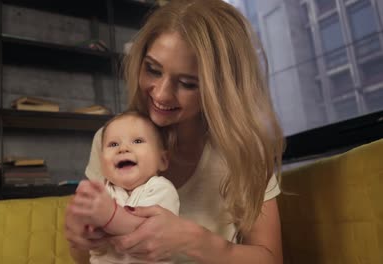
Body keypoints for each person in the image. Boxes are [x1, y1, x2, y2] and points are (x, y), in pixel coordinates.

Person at [65, 0, 284, 263]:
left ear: (220, 90)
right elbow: (84, 257)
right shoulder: (111, 140)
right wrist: (81, 237)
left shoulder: (244, 152)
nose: (161, 93)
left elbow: (271, 259)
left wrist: (197, 242)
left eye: (187, 84)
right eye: (152, 69)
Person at [71, 111, 179, 263]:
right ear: (102, 163)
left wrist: (110, 216)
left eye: (137, 141)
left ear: (162, 160)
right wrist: (87, 231)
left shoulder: (161, 189)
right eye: (113, 144)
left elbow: (146, 237)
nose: (123, 148)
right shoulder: (103, 191)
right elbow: (96, 248)